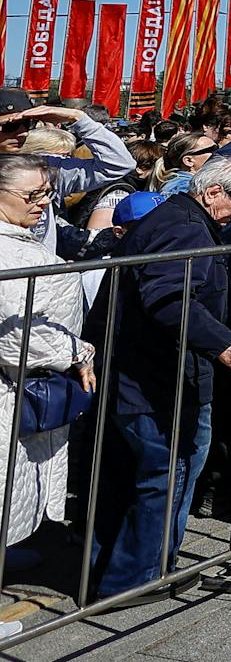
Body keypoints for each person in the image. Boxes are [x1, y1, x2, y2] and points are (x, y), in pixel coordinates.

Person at [93, 158, 231, 603]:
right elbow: (169, 300)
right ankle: (137, 578)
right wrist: (223, 342)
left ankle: (127, 569)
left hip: (153, 370)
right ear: (212, 193)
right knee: (167, 470)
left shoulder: (180, 219)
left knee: (150, 471)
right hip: (158, 375)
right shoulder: (183, 226)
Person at [0, 155, 96, 554]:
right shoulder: (10, 252)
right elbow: (15, 338)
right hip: (12, 385)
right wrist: (76, 352)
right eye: (32, 194)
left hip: (23, 389)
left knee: (15, 492)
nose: (42, 202)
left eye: (46, 193)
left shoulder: (23, 241)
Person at [0, 91, 135, 256]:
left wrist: (77, 118)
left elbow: (119, 164)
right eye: (11, 126)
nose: (23, 133)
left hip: (39, 274)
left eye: (28, 124)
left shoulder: (45, 166)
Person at [154, 132, 217, 199]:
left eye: (217, 147)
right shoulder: (185, 188)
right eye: (212, 150)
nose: (218, 152)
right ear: (188, 161)